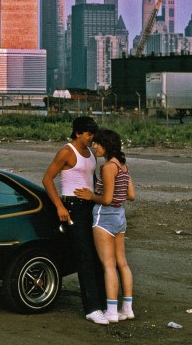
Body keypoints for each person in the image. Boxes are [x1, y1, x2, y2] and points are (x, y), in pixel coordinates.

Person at [42, 116, 108, 325]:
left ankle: (104, 304)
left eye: (93, 134)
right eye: (89, 134)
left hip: (90, 206)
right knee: (84, 256)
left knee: (99, 256)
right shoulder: (67, 151)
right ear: (78, 133)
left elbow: (92, 179)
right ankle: (92, 308)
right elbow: (47, 179)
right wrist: (60, 206)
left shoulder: (90, 153)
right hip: (73, 207)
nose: (92, 138)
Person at [74, 128, 136, 323]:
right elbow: (131, 195)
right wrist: (117, 192)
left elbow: (107, 199)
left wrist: (91, 196)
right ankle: (127, 308)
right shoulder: (123, 166)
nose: (95, 146)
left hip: (105, 217)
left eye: (99, 143)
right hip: (120, 216)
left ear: (107, 145)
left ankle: (110, 311)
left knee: (108, 266)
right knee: (122, 264)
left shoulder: (108, 167)